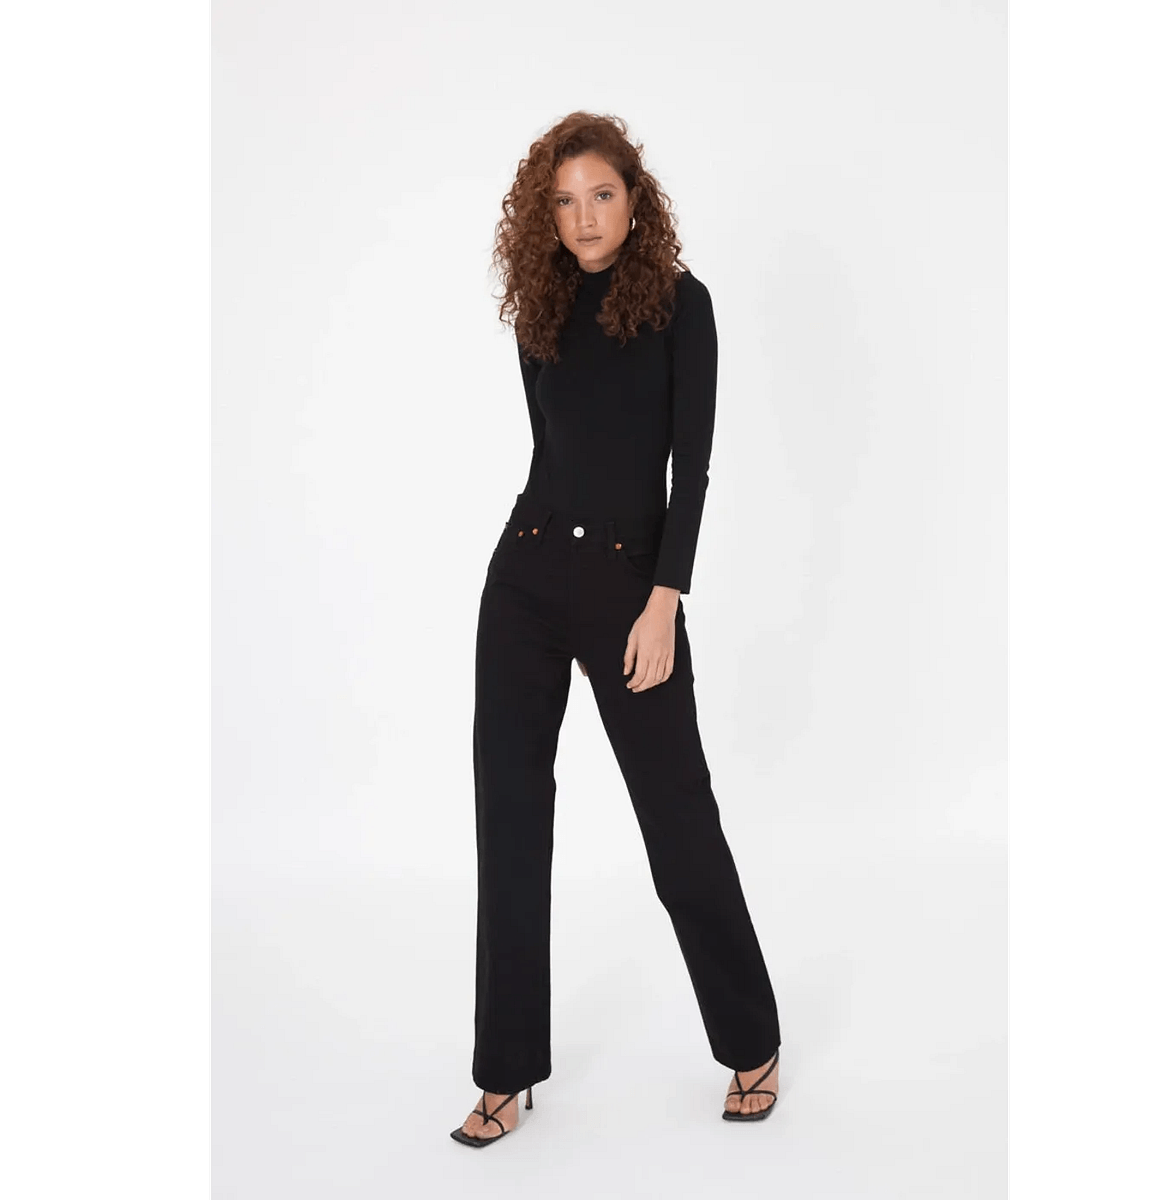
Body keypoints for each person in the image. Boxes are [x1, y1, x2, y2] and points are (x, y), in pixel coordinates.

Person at [451, 112, 782, 1148]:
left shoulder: (683, 306)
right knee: (510, 823)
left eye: (600, 195)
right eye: (563, 202)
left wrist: (662, 600)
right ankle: (505, 1072)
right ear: (541, 217)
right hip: (522, 580)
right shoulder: (540, 310)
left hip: (630, 589)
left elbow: (691, 467)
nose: (584, 217)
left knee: (677, 823)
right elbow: (548, 448)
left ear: (635, 199)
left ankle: (752, 1040)